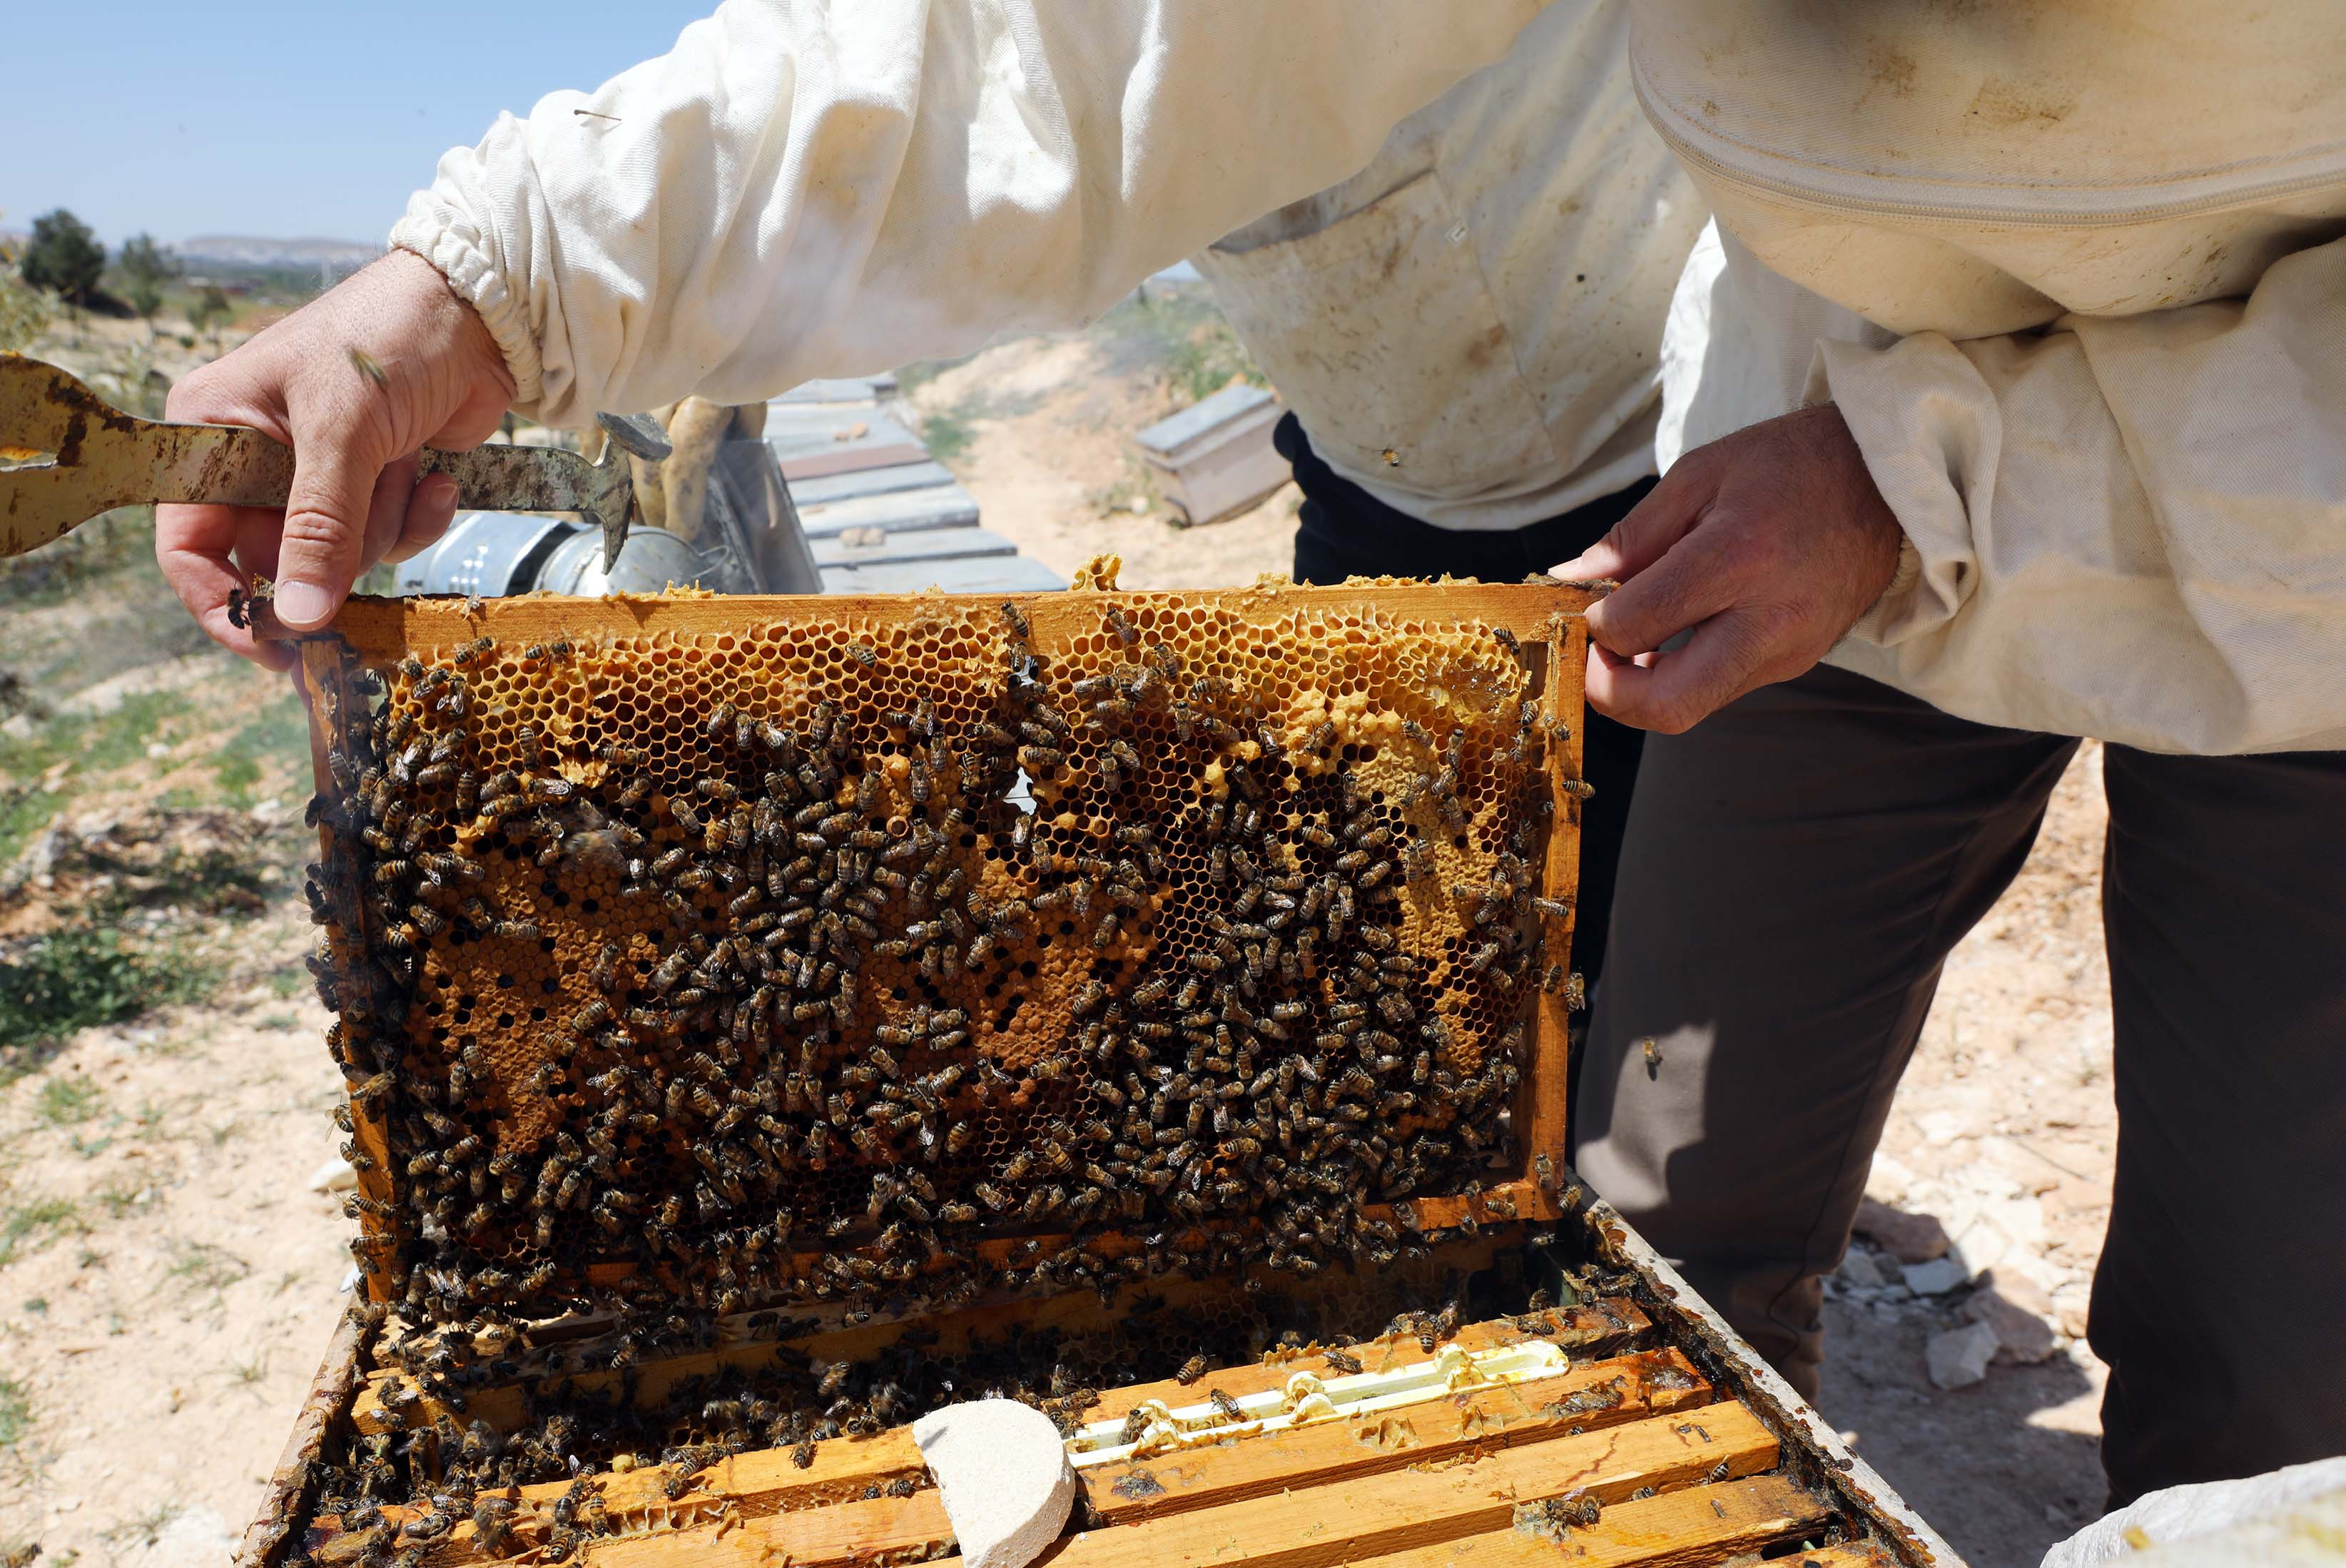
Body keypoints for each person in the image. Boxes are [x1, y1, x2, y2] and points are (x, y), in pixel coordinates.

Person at [158, 0, 2346, 1507]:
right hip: (1813, 431)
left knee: (2277, 1366)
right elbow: (1099, 43)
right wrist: (491, 283)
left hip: (2308, 559)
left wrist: (1936, 486)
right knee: (1668, 1197)